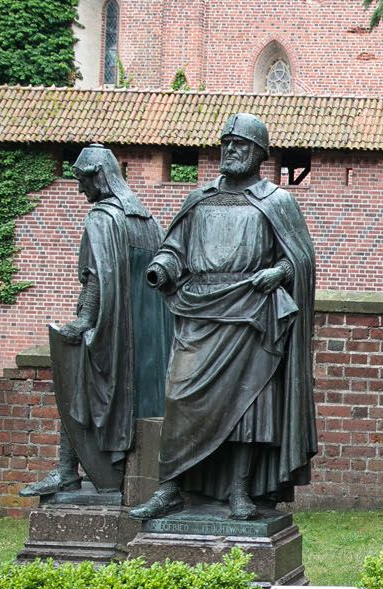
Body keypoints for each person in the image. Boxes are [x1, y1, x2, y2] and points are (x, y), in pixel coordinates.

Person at [130, 113, 317, 521]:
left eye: (241, 145)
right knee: (179, 397)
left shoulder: (276, 202)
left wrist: (280, 272)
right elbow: (174, 247)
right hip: (200, 311)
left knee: (249, 405)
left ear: (259, 154)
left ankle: (239, 489)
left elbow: (300, 259)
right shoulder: (199, 199)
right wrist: (162, 266)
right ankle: (169, 487)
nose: (230, 151)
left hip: (251, 312)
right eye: (226, 143)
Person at [21, 144, 168, 497]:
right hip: (148, 342)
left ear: (100, 177)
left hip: (113, 333)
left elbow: (97, 275)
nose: (79, 188)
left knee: (77, 390)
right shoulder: (147, 220)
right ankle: (130, 479)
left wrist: (84, 321)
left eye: (83, 180)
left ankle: (66, 471)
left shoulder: (103, 217)